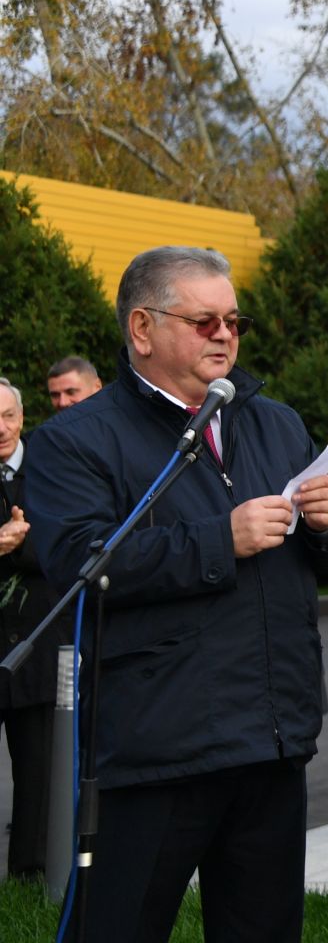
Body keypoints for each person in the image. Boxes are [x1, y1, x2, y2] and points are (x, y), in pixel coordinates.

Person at [24, 245, 328, 940]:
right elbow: (78, 560)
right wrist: (220, 540)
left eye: (234, 321)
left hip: (271, 734)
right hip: (159, 745)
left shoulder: (276, 421)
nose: (225, 335)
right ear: (142, 330)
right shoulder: (75, 441)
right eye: (204, 321)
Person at [0, 376, 55, 880]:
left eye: (8, 416)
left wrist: (22, 546)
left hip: (35, 647)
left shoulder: (51, 467)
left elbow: (69, 544)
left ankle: (28, 877)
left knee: (37, 772)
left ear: (22, 417)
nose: (1, 428)